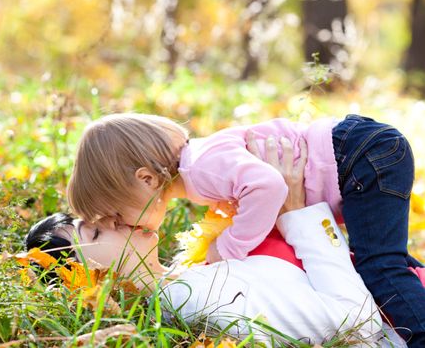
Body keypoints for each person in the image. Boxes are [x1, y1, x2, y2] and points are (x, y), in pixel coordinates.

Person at [67, 114, 425, 345]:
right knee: (383, 259)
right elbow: (354, 320)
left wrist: (232, 244)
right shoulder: (183, 293)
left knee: (382, 263)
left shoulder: (203, 173)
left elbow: (269, 187)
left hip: (356, 155)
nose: (121, 223)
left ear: (146, 179)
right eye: (98, 230)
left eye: (113, 215)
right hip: (360, 154)